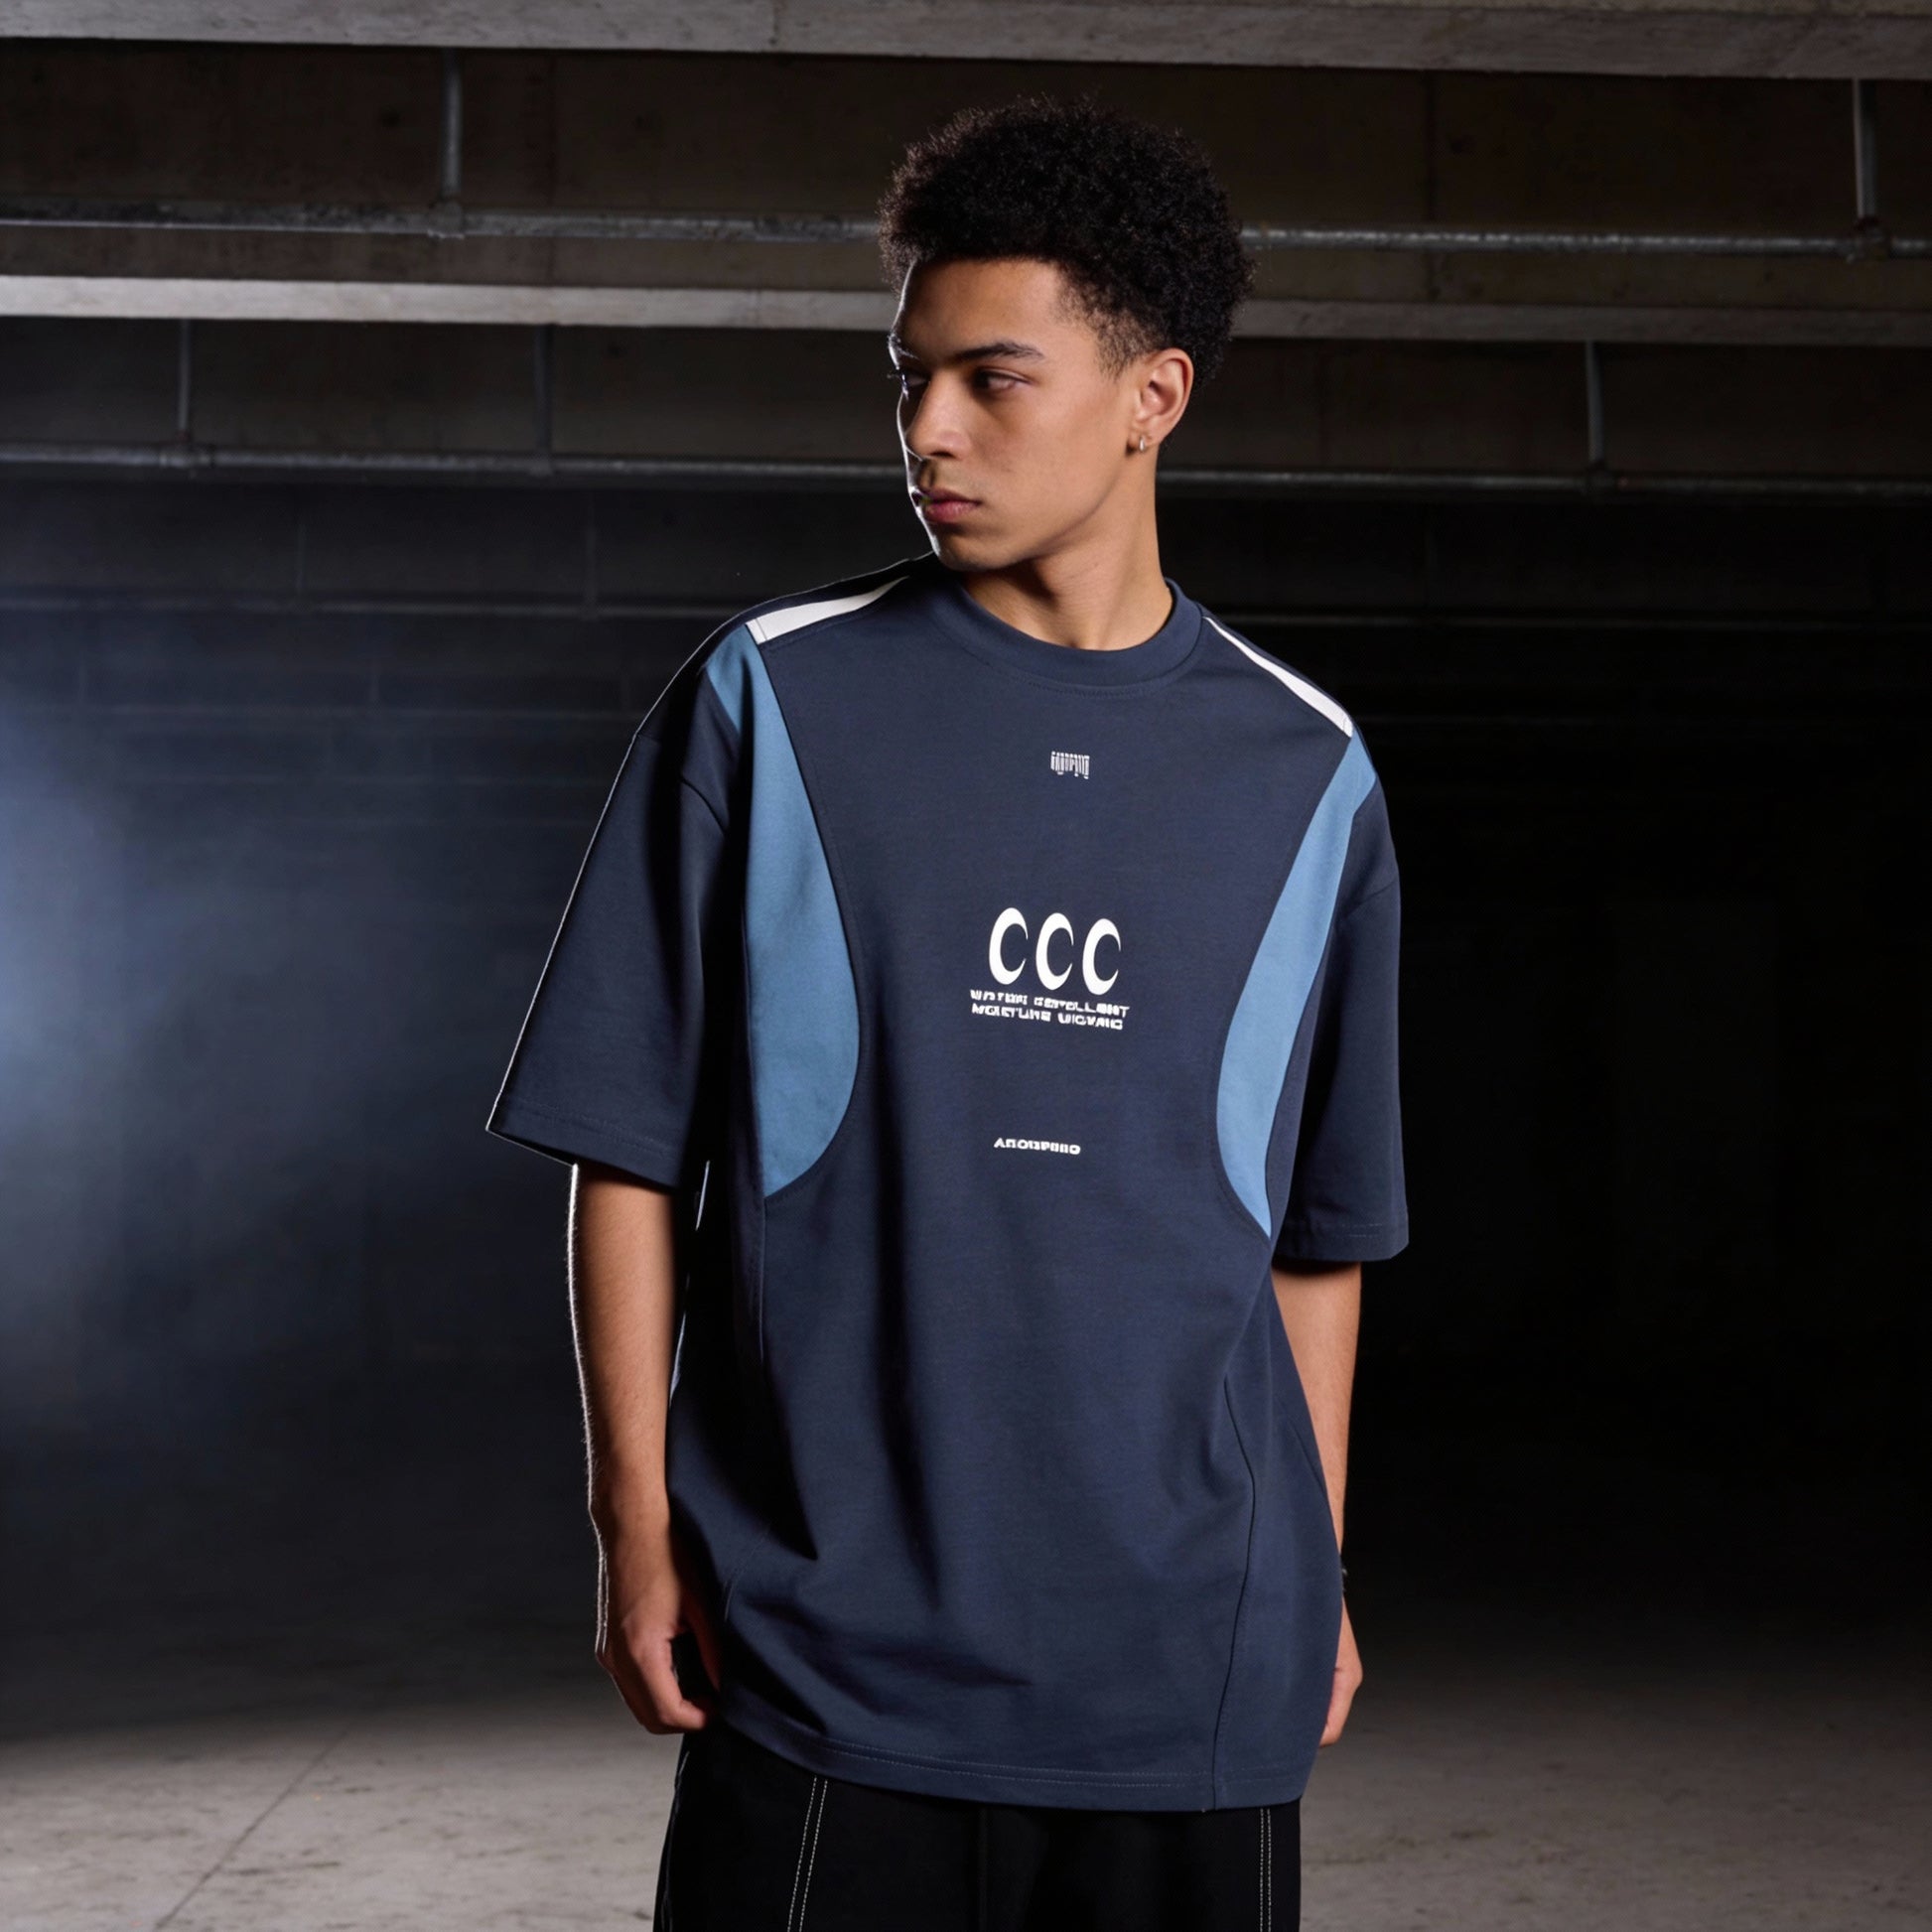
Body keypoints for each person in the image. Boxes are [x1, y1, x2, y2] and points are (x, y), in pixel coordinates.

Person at [486, 90, 1408, 1931]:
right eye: (908, 376)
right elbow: (624, 1158)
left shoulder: (1309, 772)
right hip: (822, 1662)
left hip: (1186, 1668)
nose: (926, 428)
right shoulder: (766, 699)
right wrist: (632, 1526)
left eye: (993, 379)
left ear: (1151, 397)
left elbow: (1315, 1237)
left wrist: (1305, 1564)